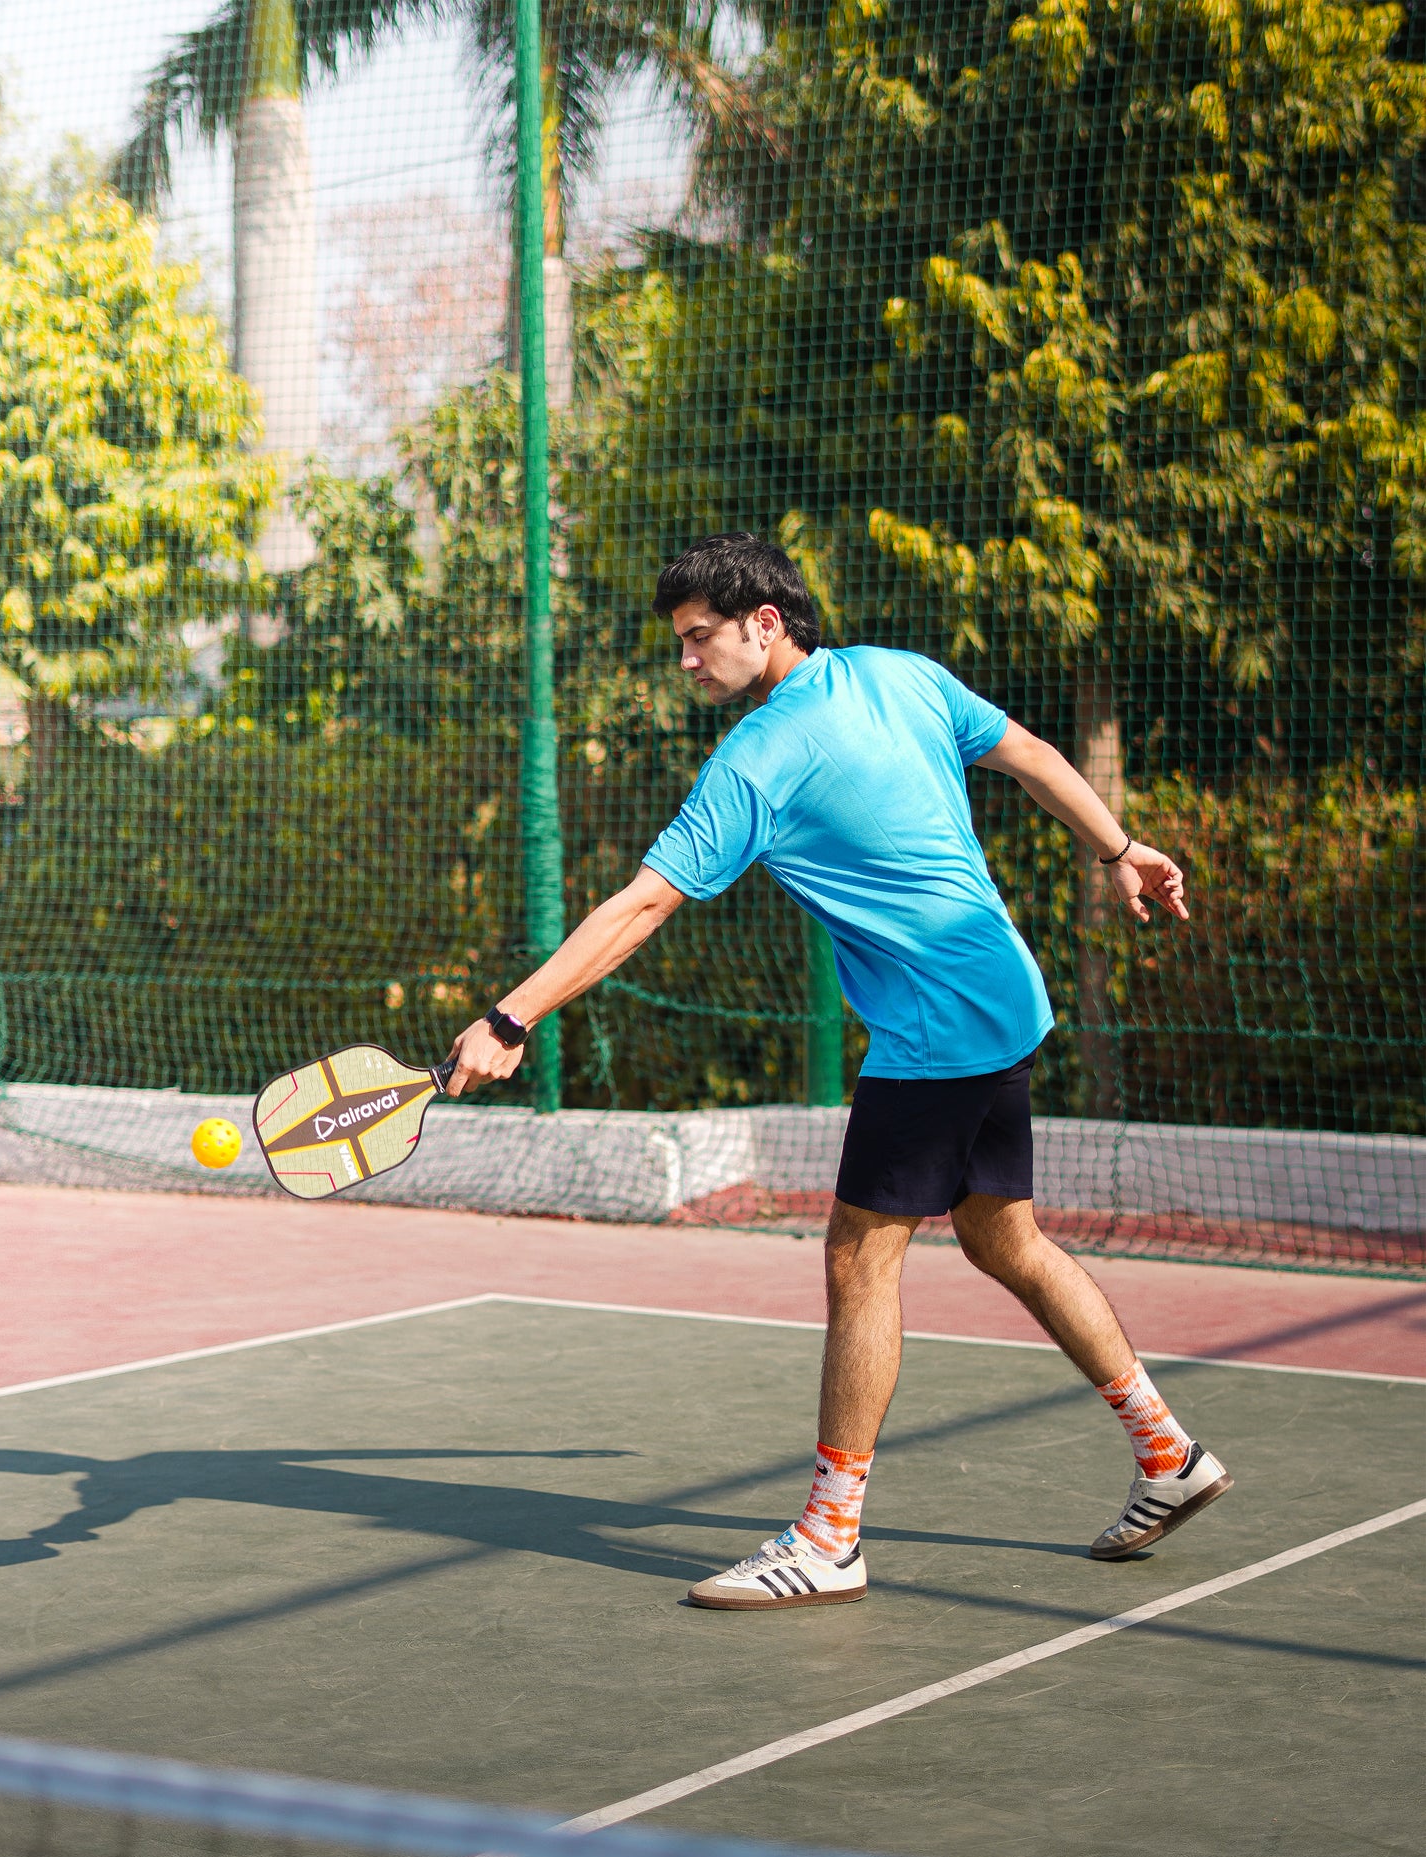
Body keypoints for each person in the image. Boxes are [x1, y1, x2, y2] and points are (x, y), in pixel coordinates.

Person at [448, 532, 1232, 1609]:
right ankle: (1166, 1452)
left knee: (858, 1262)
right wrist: (1118, 849)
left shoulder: (758, 757)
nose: (684, 662)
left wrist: (511, 1015)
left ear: (765, 624)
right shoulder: (898, 673)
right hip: (1005, 994)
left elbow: (641, 906)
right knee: (1004, 1235)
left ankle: (827, 1536)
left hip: (934, 1029)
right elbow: (1034, 755)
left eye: (696, 639)